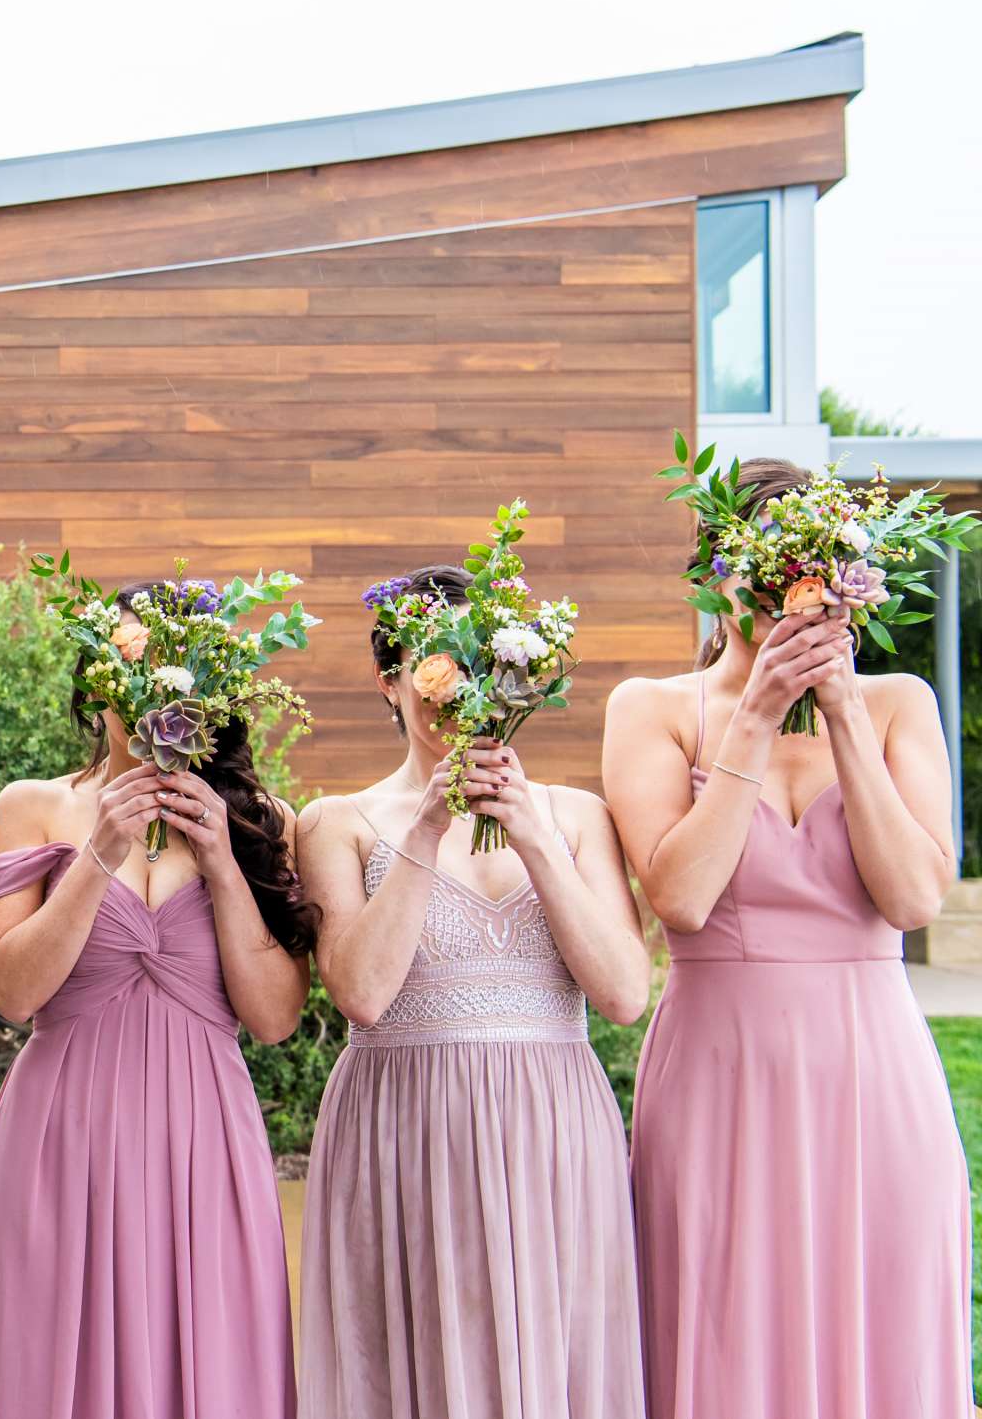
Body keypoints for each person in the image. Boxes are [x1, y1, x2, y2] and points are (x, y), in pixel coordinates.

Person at [604, 460, 970, 1419]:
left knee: (879, 1328)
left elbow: (913, 896)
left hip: (872, 1072)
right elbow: (679, 897)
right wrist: (758, 716)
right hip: (720, 1073)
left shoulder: (898, 704)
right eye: (772, 578)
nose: (792, 603)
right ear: (724, 578)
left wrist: (843, 709)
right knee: (720, 1325)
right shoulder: (652, 709)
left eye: (815, 576)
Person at [296, 563, 650, 1419]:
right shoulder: (337, 822)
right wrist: (427, 824)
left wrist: (532, 837)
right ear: (391, 681)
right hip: (406, 1130)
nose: (457, 694)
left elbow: (624, 994)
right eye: (433, 666)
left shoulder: (575, 815)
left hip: (553, 1127)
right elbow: (363, 995)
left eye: (478, 667)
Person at [0, 578, 310, 1418]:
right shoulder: (33, 807)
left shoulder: (266, 819)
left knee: (210, 1359)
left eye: (178, 668)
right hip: (62, 1132)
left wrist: (225, 861)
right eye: (134, 666)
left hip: (206, 1136)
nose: (156, 693)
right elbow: (12, 992)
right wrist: (101, 853)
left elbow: (274, 1019)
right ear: (97, 684)